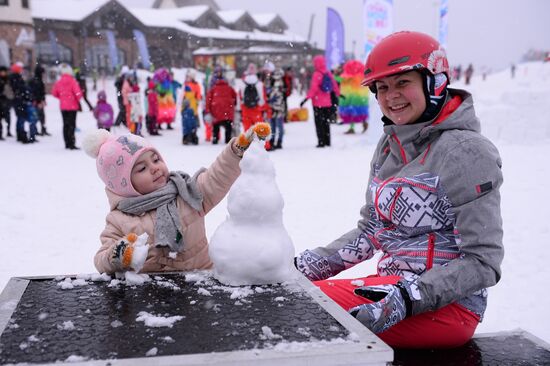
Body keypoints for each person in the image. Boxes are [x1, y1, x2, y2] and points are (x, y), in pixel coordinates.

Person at [294, 31, 503, 349]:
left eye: (403, 83)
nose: (391, 96)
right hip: (390, 290)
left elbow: (483, 260)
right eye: (382, 88)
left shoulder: (465, 150)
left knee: (299, 309)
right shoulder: (390, 145)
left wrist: (410, 297)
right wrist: (301, 268)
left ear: (434, 82)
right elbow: (372, 231)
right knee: (292, 294)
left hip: (446, 307)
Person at [83, 122, 271, 275]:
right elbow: (101, 260)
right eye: (141, 168)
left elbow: (216, 177)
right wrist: (117, 255)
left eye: (156, 160)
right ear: (123, 185)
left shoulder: (186, 192)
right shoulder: (119, 219)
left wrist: (236, 151)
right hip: (151, 298)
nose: (155, 168)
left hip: (201, 286)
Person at [300, 55, 340, 147]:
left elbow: (313, 89)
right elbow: (334, 85)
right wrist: (338, 93)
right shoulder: (328, 73)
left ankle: (321, 142)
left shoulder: (317, 74)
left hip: (318, 104)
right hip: (327, 103)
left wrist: (306, 99)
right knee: (326, 122)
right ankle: (327, 141)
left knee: (319, 123)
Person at [51, 63, 83, 150]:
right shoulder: (73, 81)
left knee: (65, 124)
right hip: (72, 107)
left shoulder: (59, 82)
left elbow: (54, 93)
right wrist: (76, 98)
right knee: (72, 124)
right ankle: (71, 143)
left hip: (63, 107)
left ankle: (66, 143)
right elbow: (78, 94)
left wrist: (62, 97)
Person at [205, 70, 237, 144]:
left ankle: (215, 138)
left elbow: (208, 99)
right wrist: (233, 104)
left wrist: (208, 109)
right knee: (228, 126)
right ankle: (228, 139)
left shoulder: (213, 88)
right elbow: (235, 97)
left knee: (216, 125)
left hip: (216, 110)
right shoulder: (229, 88)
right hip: (228, 110)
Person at [338, 60, 369, 134]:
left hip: (352, 98)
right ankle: (363, 124)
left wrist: (335, 75)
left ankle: (353, 128)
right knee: (357, 112)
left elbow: (339, 79)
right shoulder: (361, 76)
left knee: (352, 112)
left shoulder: (349, 77)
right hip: (360, 99)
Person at [9, 62, 35, 144]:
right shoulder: (15, 78)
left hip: (19, 101)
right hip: (19, 101)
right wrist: (26, 94)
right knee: (21, 118)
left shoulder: (15, 77)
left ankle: (20, 135)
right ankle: (22, 135)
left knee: (20, 118)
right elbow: (20, 88)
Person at [239, 63, 266, 132]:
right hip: (257, 110)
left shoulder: (242, 83)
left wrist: (241, 108)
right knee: (260, 132)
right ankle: (261, 143)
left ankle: (248, 142)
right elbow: (263, 99)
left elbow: (240, 98)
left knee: (247, 132)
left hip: (246, 110)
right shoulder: (259, 84)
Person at [28, 64, 51, 137]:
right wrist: (39, 101)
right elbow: (36, 92)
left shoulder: (38, 80)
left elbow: (41, 92)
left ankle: (41, 129)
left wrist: (43, 100)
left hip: (39, 101)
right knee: (36, 117)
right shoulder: (36, 81)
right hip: (36, 102)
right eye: (42, 73)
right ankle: (35, 131)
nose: (43, 74)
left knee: (41, 116)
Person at [267, 68, 286, 150]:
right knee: (276, 126)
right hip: (278, 108)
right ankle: (277, 141)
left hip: (276, 108)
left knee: (275, 126)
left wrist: (269, 98)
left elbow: (274, 95)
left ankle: (276, 142)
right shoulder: (279, 83)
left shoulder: (277, 83)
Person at [0, 66, 14, 139]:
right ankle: (0, 133)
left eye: (4, 71)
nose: (3, 73)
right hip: (1, 102)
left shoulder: (8, 80)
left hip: (7, 102)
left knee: (8, 118)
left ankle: (8, 131)